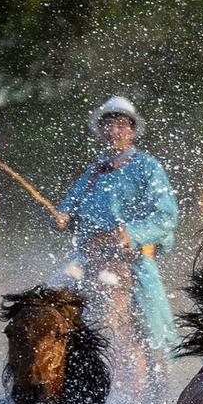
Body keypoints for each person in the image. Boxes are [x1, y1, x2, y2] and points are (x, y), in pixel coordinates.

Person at [53, 95, 179, 385]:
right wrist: (62, 216)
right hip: (87, 258)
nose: (114, 130)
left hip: (133, 261)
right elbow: (69, 206)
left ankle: (160, 382)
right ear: (100, 131)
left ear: (132, 131)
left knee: (154, 324)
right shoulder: (93, 172)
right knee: (49, 298)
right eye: (108, 124)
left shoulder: (148, 167)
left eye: (121, 125)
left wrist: (131, 233)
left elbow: (166, 218)